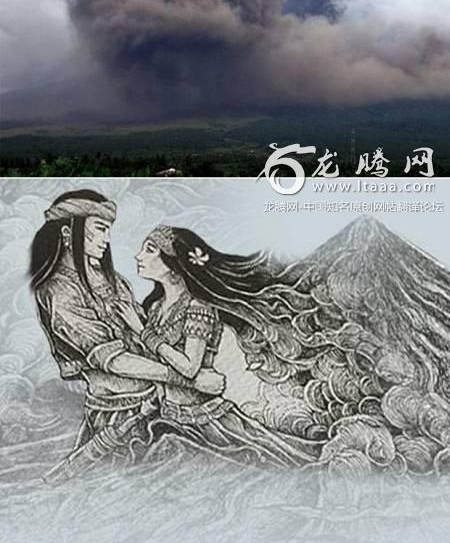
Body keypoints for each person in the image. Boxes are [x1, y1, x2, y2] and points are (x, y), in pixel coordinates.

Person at [30, 191, 225, 473]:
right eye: (99, 230)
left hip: (160, 403)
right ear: (66, 233)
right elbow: (115, 360)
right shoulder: (60, 291)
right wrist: (190, 380)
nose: (106, 239)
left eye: (108, 231)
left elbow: (142, 342)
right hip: (117, 414)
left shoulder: (115, 282)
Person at [117, 224, 322, 467]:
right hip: (168, 415)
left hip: (205, 423)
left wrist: (143, 332)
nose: (138, 255)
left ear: (174, 266)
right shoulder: (155, 308)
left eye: (150, 250)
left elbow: (190, 368)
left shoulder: (197, 308)